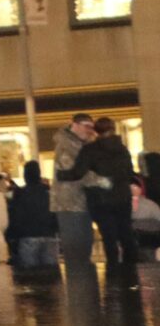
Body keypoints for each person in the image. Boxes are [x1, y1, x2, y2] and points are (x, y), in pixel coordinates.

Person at [80, 118, 139, 271]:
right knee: (126, 233)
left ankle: (113, 269)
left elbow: (82, 173)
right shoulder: (122, 149)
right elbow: (129, 171)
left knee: (109, 237)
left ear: (96, 131)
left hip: (102, 199)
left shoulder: (90, 150)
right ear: (113, 129)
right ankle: (130, 270)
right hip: (122, 196)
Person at [52, 114, 98, 270]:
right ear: (75, 125)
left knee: (83, 247)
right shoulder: (66, 146)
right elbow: (76, 172)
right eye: (87, 126)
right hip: (69, 204)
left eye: (92, 127)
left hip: (80, 202)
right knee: (76, 249)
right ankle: (79, 287)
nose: (90, 131)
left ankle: (83, 286)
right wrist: (105, 181)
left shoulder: (81, 145)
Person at [7, 160, 58, 273]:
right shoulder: (49, 192)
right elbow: (55, 213)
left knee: (30, 274)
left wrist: (13, 236)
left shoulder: (20, 193)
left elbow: (16, 216)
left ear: (25, 175)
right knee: (50, 273)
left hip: (28, 236)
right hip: (49, 235)